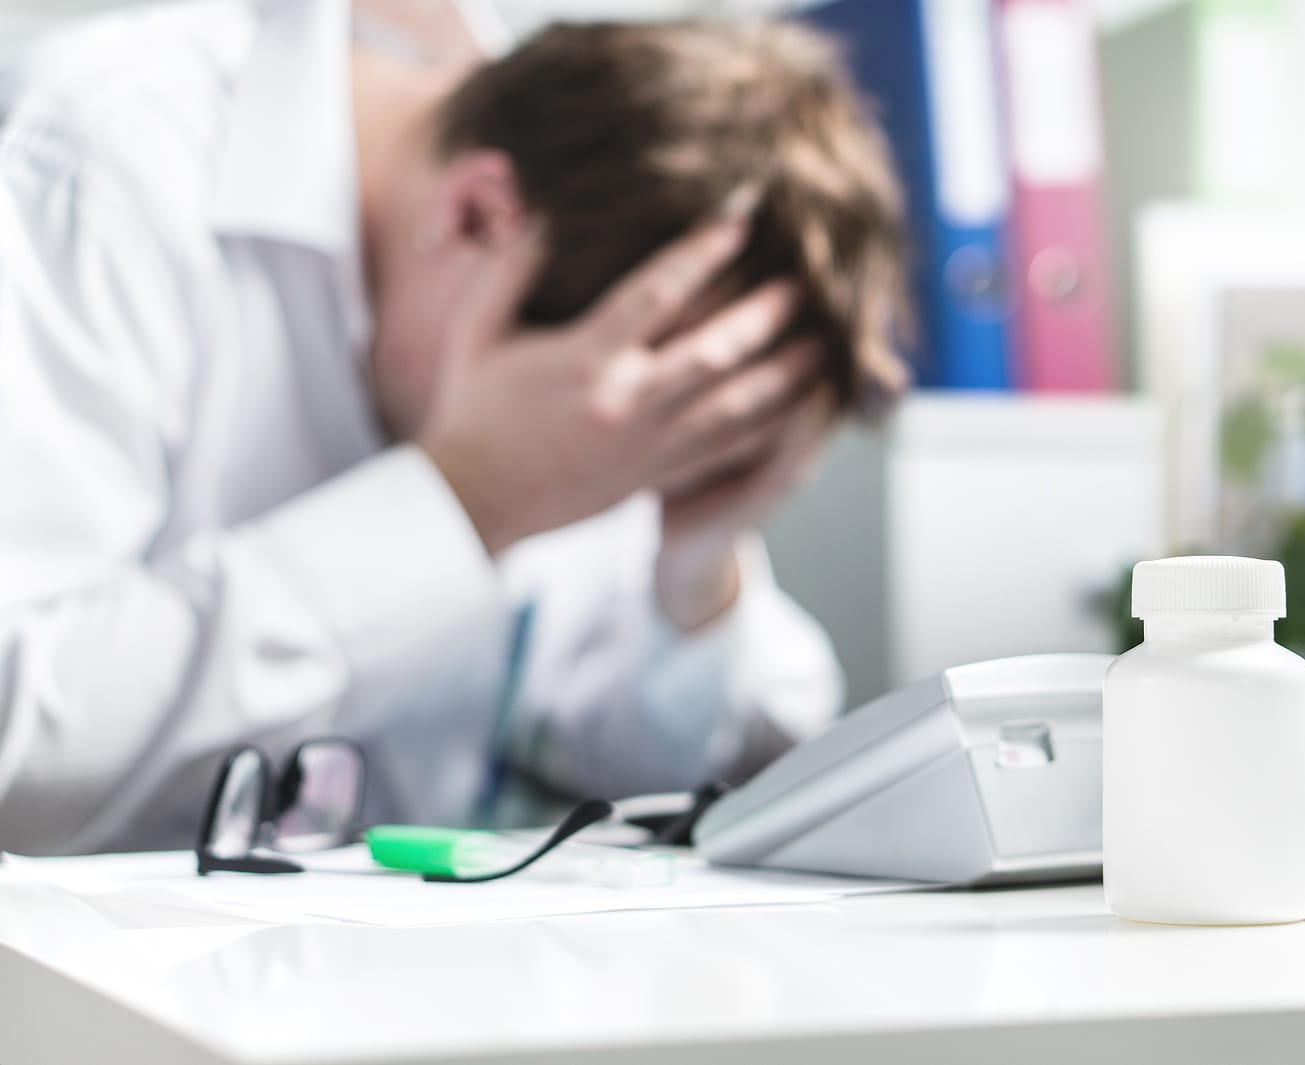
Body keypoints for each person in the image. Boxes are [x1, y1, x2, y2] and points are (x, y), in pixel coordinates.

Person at [0, 0, 908, 855]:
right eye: (607, 444)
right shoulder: (95, 160)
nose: (605, 472)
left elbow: (662, 759)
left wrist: (695, 566)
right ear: (475, 215)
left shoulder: (599, 221)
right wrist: (467, 494)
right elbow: (21, 750)